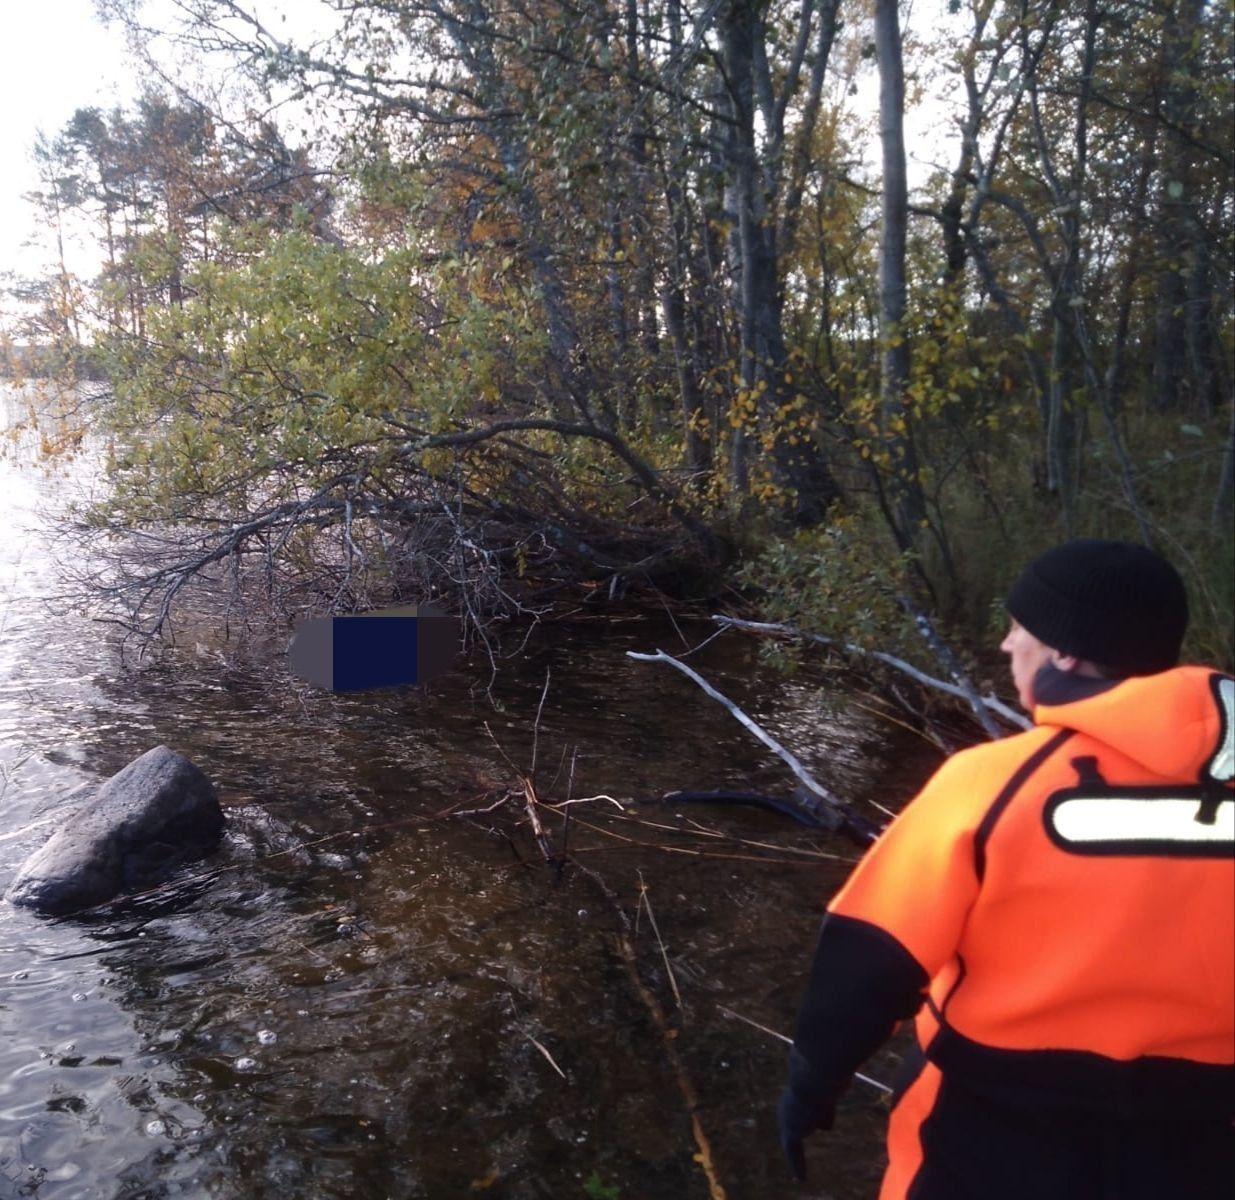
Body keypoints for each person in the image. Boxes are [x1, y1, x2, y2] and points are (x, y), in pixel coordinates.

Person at [777, 539, 1234, 1198]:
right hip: (1204, 1142)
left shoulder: (990, 785)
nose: (1003, 645)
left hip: (989, 1130)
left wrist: (812, 1083)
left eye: (1019, 627)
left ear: (1065, 653)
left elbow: (868, 957)